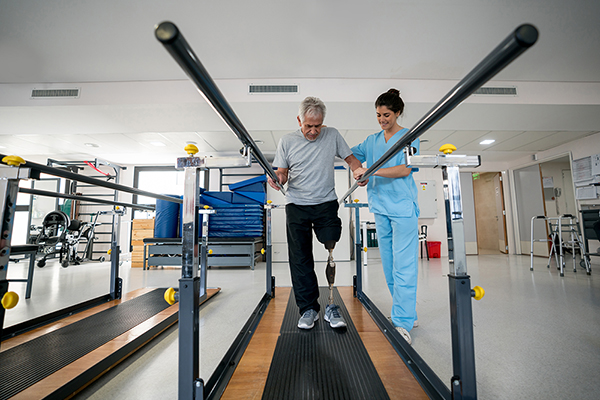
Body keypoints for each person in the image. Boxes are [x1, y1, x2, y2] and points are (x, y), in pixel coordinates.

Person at [268, 96, 363, 330]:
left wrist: (358, 169)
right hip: (296, 204)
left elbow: (350, 159)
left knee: (331, 242)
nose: (313, 131)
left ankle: (331, 304)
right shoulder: (287, 141)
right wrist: (278, 179)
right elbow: (283, 172)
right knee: (300, 258)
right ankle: (309, 308)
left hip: (326, 202)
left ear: (323, 122)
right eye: (308, 126)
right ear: (299, 120)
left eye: (317, 126)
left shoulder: (332, 135)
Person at [351, 88, 420, 344]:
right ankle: (407, 313)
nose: (382, 119)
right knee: (390, 267)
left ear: (398, 112)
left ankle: (402, 322)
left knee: (404, 266)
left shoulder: (409, 136)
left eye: (387, 115)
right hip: (380, 209)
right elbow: (351, 154)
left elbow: (404, 169)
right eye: (379, 115)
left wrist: (371, 171)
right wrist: (357, 170)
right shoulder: (371, 141)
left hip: (402, 210)